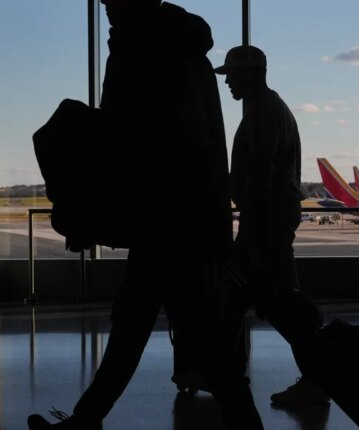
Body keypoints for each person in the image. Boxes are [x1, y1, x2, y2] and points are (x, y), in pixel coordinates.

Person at [28, 1, 262, 429]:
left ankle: (86, 420)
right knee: (157, 330)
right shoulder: (183, 48)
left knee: (150, 331)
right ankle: (86, 419)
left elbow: (129, 140)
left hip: (165, 220)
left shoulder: (141, 48)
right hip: (182, 219)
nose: (103, 5)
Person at [214, 45, 329, 404]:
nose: (228, 82)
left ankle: (315, 378)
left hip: (264, 222)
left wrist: (250, 213)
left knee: (273, 303)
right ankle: (227, 375)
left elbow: (261, 171)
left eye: (231, 74)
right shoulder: (269, 108)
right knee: (257, 299)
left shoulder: (264, 113)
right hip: (270, 220)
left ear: (252, 73)